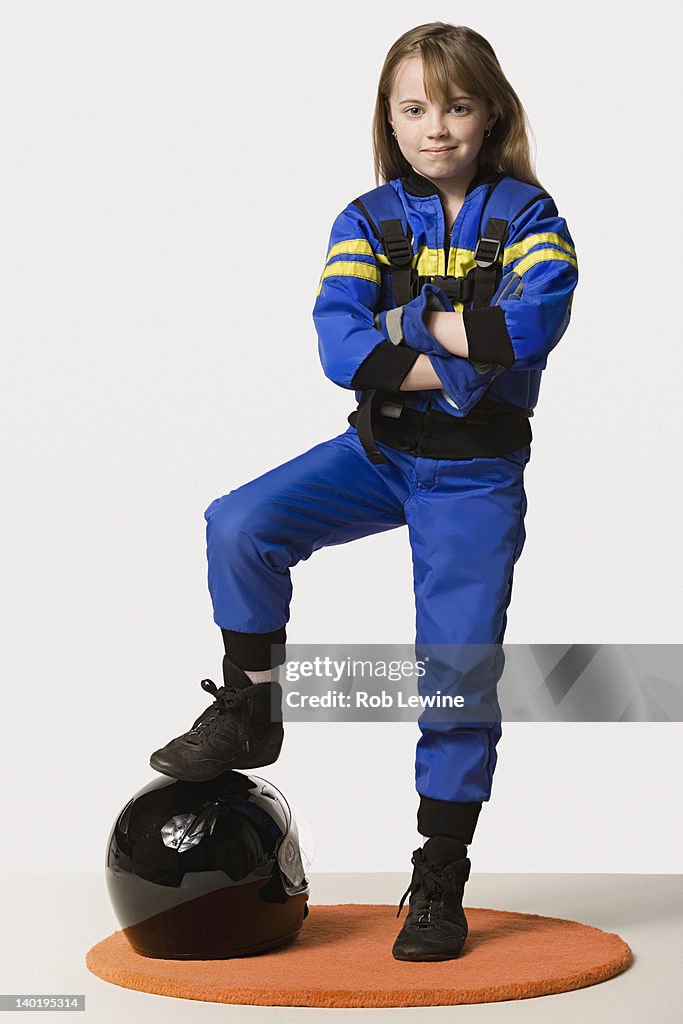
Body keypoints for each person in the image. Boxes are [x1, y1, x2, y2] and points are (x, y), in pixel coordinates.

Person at [149, 21, 579, 961]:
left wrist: (411, 327)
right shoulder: (366, 218)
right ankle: (249, 706)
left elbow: (527, 331)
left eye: (456, 106)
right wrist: (456, 346)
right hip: (378, 454)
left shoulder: (532, 220)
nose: (435, 127)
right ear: (389, 116)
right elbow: (343, 351)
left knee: (456, 670)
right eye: (414, 107)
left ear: (490, 111)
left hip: (472, 475)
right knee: (240, 522)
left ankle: (439, 873)